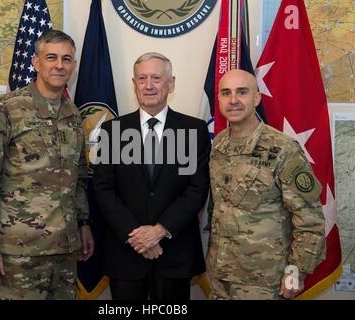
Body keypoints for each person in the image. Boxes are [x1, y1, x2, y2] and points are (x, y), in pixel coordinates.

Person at [0, 30, 94, 300]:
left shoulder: (73, 115)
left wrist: (83, 223)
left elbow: (78, 178)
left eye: (66, 59)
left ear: (73, 65)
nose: (59, 65)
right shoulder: (4, 109)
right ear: (35, 62)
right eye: (51, 57)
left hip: (64, 252)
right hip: (15, 253)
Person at [92, 52, 210, 300]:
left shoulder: (193, 130)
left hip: (174, 253)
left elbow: (196, 190)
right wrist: (137, 235)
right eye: (142, 78)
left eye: (156, 78)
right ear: (134, 84)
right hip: (125, 253)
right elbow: (104, 189)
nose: (149, 85)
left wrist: (159, 231)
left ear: (171, 83)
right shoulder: (113, 131)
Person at [206, 69, 326, 300]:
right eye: (226, 93)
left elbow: (310, 219)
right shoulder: (219, 145)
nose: (233, 100)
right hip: (221, 276)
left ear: (257, 98)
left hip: (263, 282)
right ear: (219, 99)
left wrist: (296, 271)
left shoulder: (282, 148)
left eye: (242, 92)